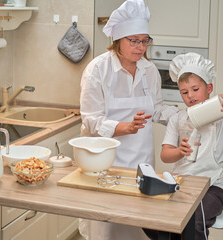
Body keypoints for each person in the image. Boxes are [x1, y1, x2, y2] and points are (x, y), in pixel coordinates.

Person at [78, 0, 178, 239]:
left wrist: (186, 115)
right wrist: (126, 127)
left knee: (138, 227)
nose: (140, 47)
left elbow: (156, 109)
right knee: (106, 227)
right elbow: (91, 120)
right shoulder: (97, 71)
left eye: (145, 40)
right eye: (134, 40)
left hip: (141, 162)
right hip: (104, 164)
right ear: (118, 40)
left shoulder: (148, 70)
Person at [145, 52, 223, 240]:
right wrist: (179, 151)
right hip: (180, 184)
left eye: (195, 89)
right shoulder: (178, 119)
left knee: (193, 219)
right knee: (151, 216)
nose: (190, 95)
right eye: (184, 92)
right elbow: (165, 155)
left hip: (212, 189)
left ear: (209, 88)